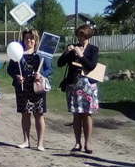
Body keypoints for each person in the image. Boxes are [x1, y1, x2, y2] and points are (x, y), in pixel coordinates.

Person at [7, 29, 53, 151]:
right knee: (25, 114)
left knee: (39, 115)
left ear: (36, 40)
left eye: (32, 38)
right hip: (22, 88)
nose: (29, 40)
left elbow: (49, 69)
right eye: (27, 38)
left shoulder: (41, 54)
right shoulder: (18, 53)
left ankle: (40, 143)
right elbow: (10, 69)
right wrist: (16, 76)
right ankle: (26, 140)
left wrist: (41, 75)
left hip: (37, 88)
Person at [57, 25, 100, 154]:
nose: (79, 38)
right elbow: (60, 63)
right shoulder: (73, 48)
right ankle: (77, 143)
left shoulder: (93, 49)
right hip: (74, 84)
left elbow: (92, 65)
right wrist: (67, 52)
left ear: (87, 36)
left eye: (82, 36)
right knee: (76, 114)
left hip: (87, 85)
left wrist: (81, 56)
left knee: (87, 114)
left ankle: (88, 143)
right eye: (78, 36)